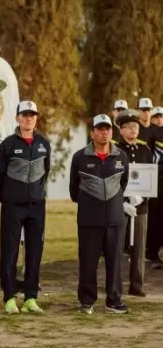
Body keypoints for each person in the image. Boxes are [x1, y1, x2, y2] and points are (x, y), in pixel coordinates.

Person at [0, 101, 51, 314]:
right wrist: (8, 197)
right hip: (12, 206)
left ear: (36, 118)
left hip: (36, 206)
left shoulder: (43, 143)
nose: (29, 118)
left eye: (32, 115)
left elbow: (46, 171)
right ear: (17, 118)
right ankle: (9, 297)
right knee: (9, 252)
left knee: (34, 253)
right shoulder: (8, 144)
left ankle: (30, 297)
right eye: (25, 115)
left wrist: (36, 194)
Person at [70, 114, 129, 314]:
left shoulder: (121, 156)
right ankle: (87, 300)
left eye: (108, 129)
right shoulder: (80, 157)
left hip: (114, 220)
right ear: (92, 133)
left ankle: (114, 299)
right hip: (89, 220)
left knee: (114, 261)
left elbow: (123, 184)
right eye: (100, 129)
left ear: (111, 132)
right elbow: (73, 190)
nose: (104, 132)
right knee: (88, 262)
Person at [115, 109, 152, 296]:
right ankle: (116, 285)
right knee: (117, 246)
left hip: (140, 206)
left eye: (135, 126)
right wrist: (122, 200)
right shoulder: (116, 151)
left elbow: (149, 179)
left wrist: (141, 198)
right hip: (120, 206)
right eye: (128, 127)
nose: (132, 130)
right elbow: (112, 179)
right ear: (121, 130)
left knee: (139, 247)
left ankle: (136, 285)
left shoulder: (145, 150)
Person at [146, 106, 163, 268]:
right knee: (155, 218)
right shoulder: (154, 134)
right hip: (157, 181)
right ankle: (152, 253)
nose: (159, 118)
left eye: (161, 116)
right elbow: (146, 156)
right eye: (156, 116)